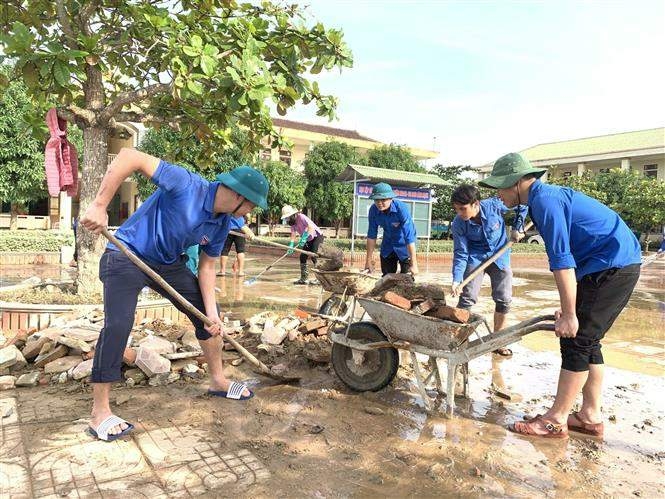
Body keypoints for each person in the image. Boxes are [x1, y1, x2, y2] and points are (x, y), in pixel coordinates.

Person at [80, 147, 269, 441]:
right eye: (252, 206)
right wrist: (100, 204)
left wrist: (212, 315)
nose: (251, 213)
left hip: (168, 265)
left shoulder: (221, 224)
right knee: (118, 325)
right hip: (126, 255)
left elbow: (206, 269)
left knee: (206, 316)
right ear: (238, 196)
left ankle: (218, 381)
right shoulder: (185, 183)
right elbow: (130, 156)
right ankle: (100, 412)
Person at [479, 152, 641, 439]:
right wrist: (570, 311)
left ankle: (555, 420)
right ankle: (590, 416)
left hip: (612, 266)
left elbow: (562, 261)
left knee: (576, 340)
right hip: (610, 263)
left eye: (501, 187)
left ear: (517, 183)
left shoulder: (545, 202)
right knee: (589, 340)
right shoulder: (540, 199)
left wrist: (569, 315)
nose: (499, 194)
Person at [450, 184, 527, 357]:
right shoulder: (458, 223)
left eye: (463, 209)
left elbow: (522, 205)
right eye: (456, 209)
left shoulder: (494, 205)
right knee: (467, 298)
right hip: (475, 258)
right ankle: (459, 341)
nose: (460, 213)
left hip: (500, 255)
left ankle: (497, 341)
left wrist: (517, 227)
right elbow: (461, 253)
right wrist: (457, 280)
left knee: (504, 299)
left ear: (476, 204)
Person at [364, 182, 419, 276]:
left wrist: (414, 263)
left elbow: (409, 236)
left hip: (405, 247)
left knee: (406, 279)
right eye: (376, 200)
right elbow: (371, 235)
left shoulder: (401, 209)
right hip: (388, 247)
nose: (379, 203)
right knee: (387, 278)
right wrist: (368, 261)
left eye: (383, 200)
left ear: (391, 198)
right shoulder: (373, 210)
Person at [281, 205, 324, 285]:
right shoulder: (292, 223)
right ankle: (304, 278)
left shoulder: (301, 217)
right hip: (308, 239)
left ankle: (320, 279)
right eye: (286, 218)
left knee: (314, 256)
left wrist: (304, 237)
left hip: (317, 236)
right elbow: (293, 234)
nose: (287, 219)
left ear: (293, 215)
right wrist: (291, 245)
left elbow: (310, 227)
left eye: (288, 217)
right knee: (302, 257)